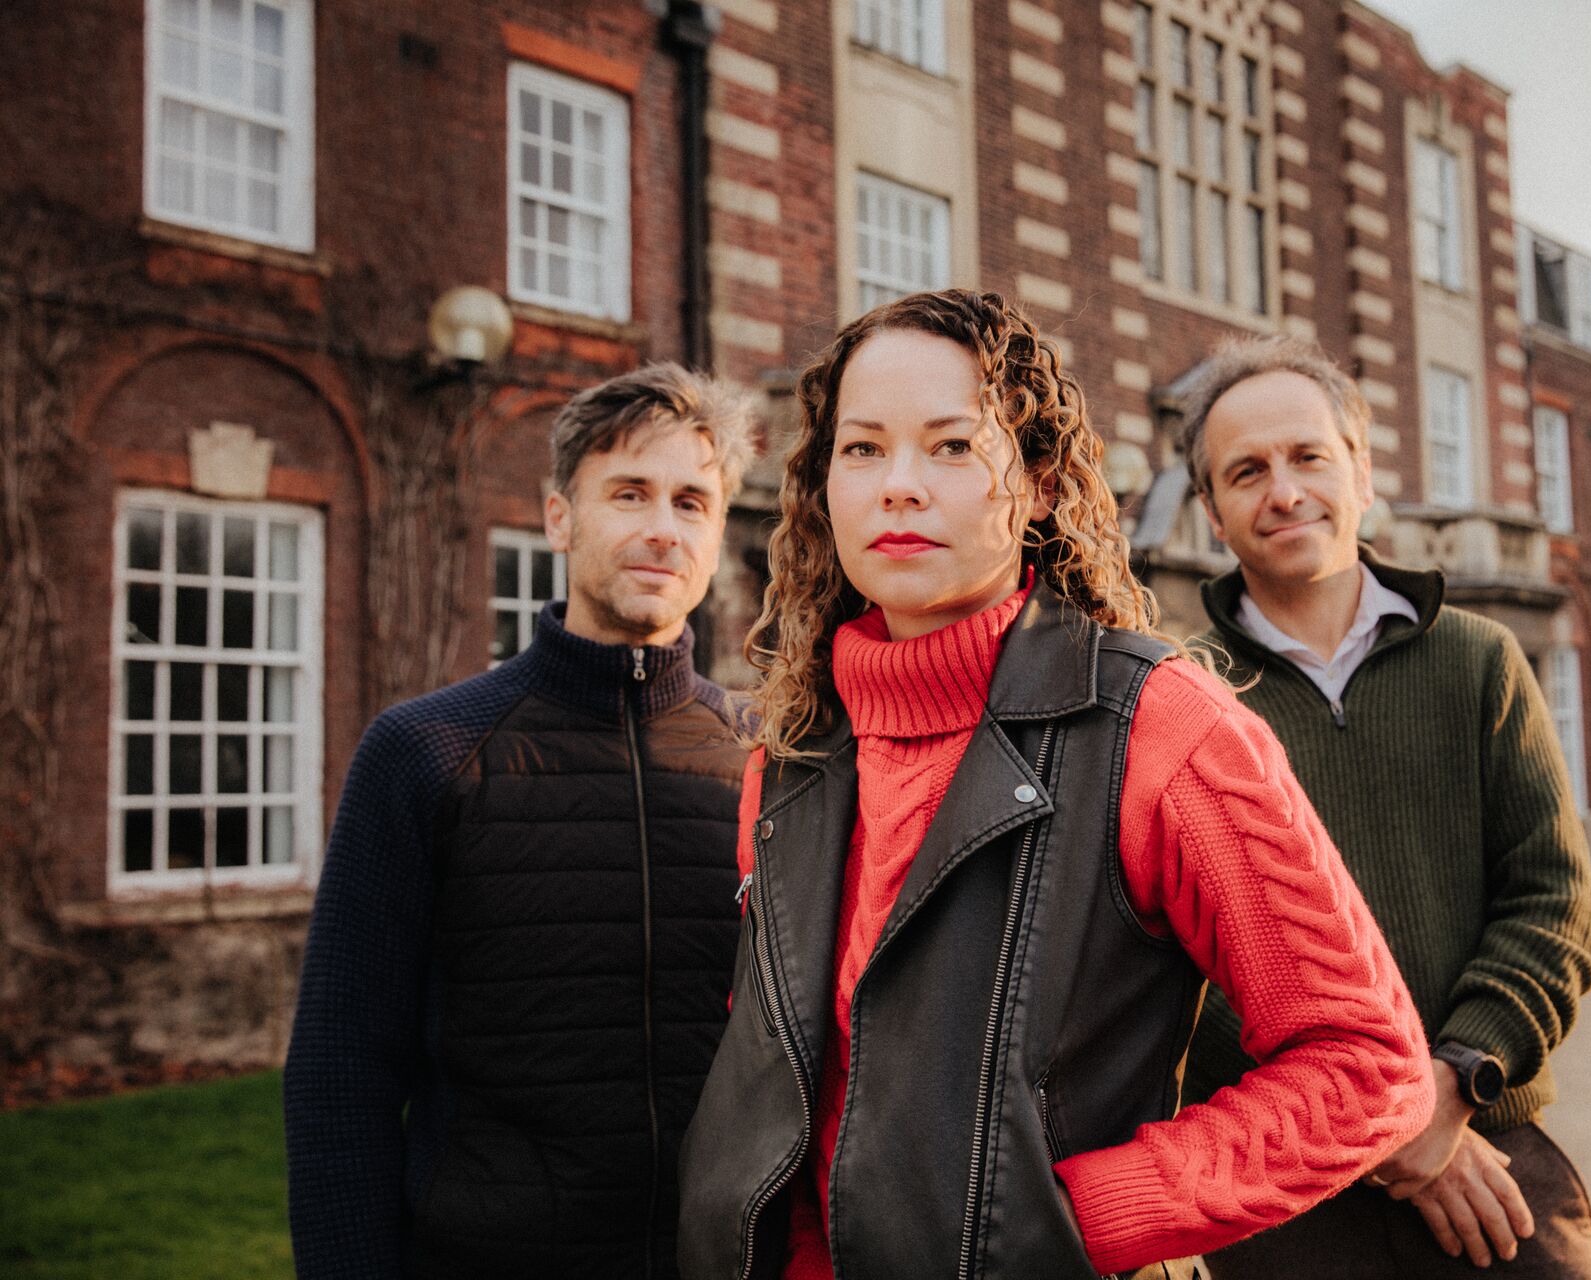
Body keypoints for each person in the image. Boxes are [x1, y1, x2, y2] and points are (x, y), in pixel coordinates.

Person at [676, 289, 1435, 1280]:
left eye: (952, 445)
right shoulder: (793, 749)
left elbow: (1366, 1065)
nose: (900, 484)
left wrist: (1077, 1217)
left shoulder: (1164, 729)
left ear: (1037, 482)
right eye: (861, 449)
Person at [284, 364, 759, 1278]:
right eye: (630, 493)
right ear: (558, 518)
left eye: (693, 502)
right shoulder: (425, 750)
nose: (663, 528)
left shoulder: (767, 756)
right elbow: (343, 1067)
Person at [1175, 335, 1591, 1277]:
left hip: (1495, 1160)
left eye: (1308, 457)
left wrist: (1449, 1089)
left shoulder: (1479, 662)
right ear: (1211, 512)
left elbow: (1553, 909)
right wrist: (1371, 1124)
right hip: (1294, 1199)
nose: (1283, 491)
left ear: (1362, 472)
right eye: (1246, 471)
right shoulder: (1176, 700)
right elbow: (1178, 969)